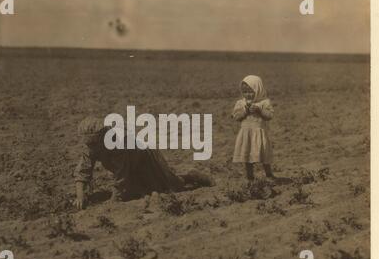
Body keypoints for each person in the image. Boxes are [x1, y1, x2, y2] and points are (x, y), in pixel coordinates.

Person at [73, 117, 214, 209]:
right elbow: (82, 172)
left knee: (170, 187)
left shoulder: (117, 142)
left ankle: (190, 176)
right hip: (131, 163)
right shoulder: (90, 147)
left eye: (94, 143)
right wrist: (80, 196)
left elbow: (121, 175)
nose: (92, 147)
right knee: (142, 190)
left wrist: (114, 200)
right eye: (88, 143)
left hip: (144, 156)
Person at [232, 75, 275, 181]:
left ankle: (269, 174)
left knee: (264, 156)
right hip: (246, 134)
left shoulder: (264, 102)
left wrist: (260, 111)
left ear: (258, 89)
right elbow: (237, 117)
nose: (248, 95)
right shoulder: (241, 103)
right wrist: (245, 111)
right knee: (247, 157)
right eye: (245, 92)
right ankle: (250, 177)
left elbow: (269, 116)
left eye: (251, 91)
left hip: (259, 134)